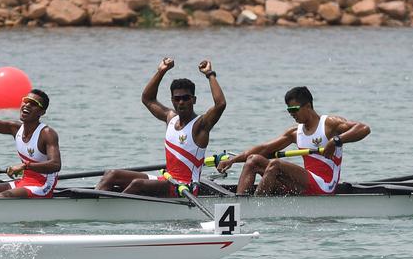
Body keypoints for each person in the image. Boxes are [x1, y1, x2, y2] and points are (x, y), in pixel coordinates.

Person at [97, 58, 225, 196]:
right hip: (167, 180)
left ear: (193, 99)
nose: (181, 102)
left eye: (186, 98)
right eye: (177, 98)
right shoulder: (170, 117)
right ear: (172, 100)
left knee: (137, 184)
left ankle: (114, 212)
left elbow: (220, 104)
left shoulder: (200, 125)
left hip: (185, 187)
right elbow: (147, 99)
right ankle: (93, 204)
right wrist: (161, 71)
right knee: (111, 174)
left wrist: (210, 74)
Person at [215, 86, 371, 195]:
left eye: (294, 109)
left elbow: (363, 128)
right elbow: (263, 149)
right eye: (288, 110)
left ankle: (257, 207)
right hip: (304, 183)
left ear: (308, 106)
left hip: (325, 185)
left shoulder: (330, 124)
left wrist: (337, 140)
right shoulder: (295, 132)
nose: (291, 114)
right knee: (253, 160)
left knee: (275, 164)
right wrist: (233, 160)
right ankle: (240, 204)